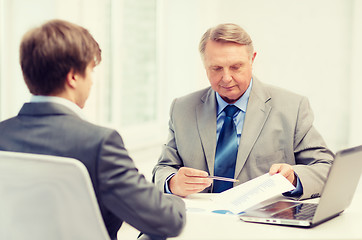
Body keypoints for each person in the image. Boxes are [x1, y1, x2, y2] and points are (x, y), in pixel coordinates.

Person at [0, 19, 185, 240]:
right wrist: (175, 198)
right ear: (73, 77)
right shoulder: (99, 143)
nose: (92, 82)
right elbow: (167, 221)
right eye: (90, 70)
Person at [152, 23, 334, 200]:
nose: (226, 78)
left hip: (264, 223)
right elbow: (163, 169)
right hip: (199, 221)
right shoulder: (182, 109)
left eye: (235, 67)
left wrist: (293, 177)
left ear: (252, 60)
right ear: (205, 66)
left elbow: (326, 168)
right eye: (216, 68)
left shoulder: (292, 107)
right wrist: (173, 183)